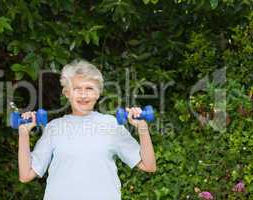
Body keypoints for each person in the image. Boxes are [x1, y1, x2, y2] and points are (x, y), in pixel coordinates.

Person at [18, 59, 156, 200]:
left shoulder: (112, 125)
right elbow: (25, 175)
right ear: (67, 93)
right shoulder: (54, 128)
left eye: (89, 88)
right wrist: (24, 133)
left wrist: (142, 128)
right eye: (77, 89)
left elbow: (149, 165)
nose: (83, 95)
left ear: (98, 93)